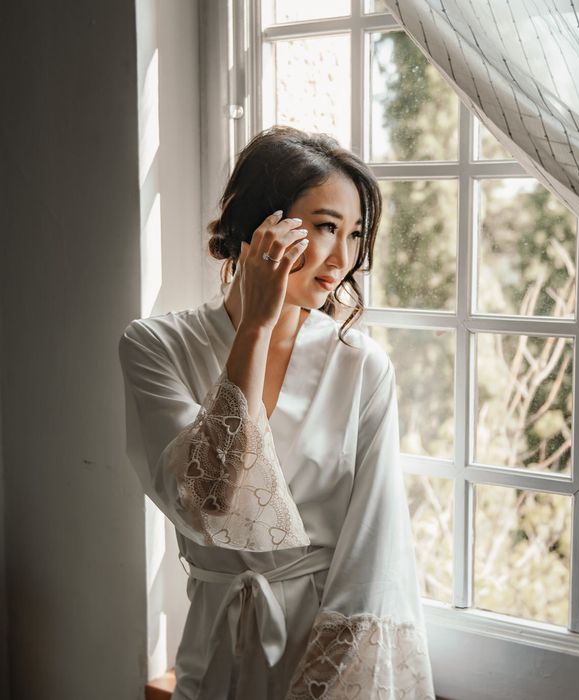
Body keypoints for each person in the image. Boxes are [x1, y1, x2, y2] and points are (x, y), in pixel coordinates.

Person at [118, 125, 436, 700]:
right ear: (263, 224)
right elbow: (207, 499)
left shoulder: (361, 367)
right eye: (325, 228)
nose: (343, 259)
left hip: (319, 654)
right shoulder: (155, 347)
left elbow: (372, 552)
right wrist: (258, 327)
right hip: (211, 657)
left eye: (355, 234)